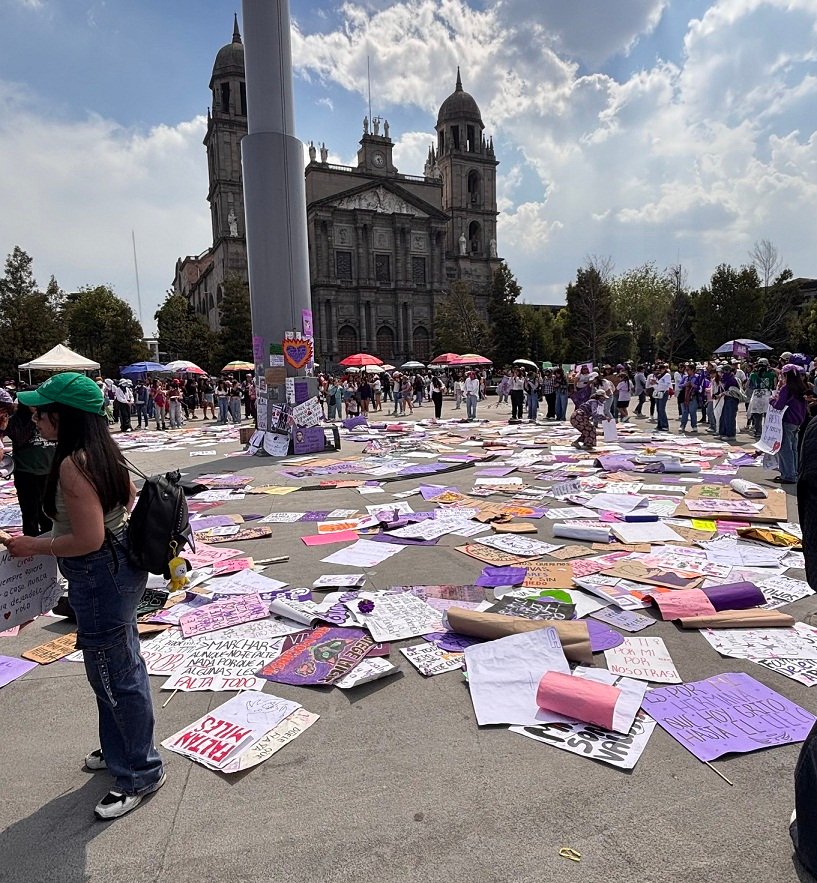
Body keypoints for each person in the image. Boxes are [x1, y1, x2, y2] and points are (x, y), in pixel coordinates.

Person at [7, 372, 165, 819]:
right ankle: (121, 745)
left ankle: (140, 769)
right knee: (116, 664)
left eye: (41, 412)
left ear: (64, 417)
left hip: (100, 574)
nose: (35, 419)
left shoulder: (75, 465)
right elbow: (129, 500)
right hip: (120, 569)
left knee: (114, 672)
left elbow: (89, 538)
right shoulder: (103, 452)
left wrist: (34, 545)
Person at [1, 395, 55, 535]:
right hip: (26, 472)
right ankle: (32, 546)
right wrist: (33, 421)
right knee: (30, 512)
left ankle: (48, 541)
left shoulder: (50, 417)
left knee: (49, 512)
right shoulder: (16, 421)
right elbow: (18, 439)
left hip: (49, 471)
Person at [771, 365, 808, 484]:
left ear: (786, 375)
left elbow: (779, 406)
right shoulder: (801, 387)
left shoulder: (786, 388)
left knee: (785, 449)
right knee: (793, 449)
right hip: (797, 421)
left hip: (787, 420)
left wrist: (772, 400)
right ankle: (793, 472)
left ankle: (788, 475)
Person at [747, 358, 777, 438]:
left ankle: (758, 432)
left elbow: (749, 386)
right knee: (767, 416)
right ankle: (767, 432)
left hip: (756, 396)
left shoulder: (753, 374)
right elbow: (774, 386)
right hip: (767, 396)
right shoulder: (772, 374)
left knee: (757, 416)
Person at [717, 363, 741, 440]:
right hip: (727, 398)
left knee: (729, 417)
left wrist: (723, 393)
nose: (721, 374)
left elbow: (733, 391)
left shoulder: (732, 379)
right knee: (723, 416)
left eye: (722, 372)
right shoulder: (726, 379)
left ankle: (731, 435)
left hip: (732, 399)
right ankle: (722, 433)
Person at [677, 364, 700, 433]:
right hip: (684, 396)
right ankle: (682, 426)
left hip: (693, 396)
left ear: (692, 370)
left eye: (688, 370)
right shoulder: (685, 377)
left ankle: (694, 426)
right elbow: (679, 385)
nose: (686, 371)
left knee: (693, 412)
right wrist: (685, 384)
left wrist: (694, 385)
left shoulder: (697, 377)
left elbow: (700, 387)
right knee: (684, 412)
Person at [653, 364, 672, 431]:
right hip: (658, 392)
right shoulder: (658, 376)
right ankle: (660, 424)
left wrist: (657, 383)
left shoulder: (667, 375)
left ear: (664, 369)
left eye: (660, 369)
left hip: (663, 392)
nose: (659, 371)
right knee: (658, 409)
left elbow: (667, 384)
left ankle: (665, 425)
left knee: (661, 409)